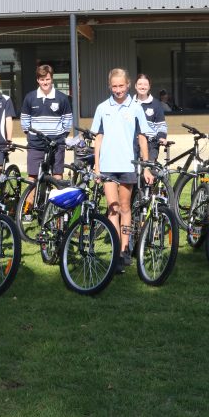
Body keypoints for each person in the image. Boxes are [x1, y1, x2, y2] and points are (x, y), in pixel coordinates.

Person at [91, 68, 155, 270]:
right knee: (113, 207)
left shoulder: (136, 108)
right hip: (108, 167)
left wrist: (145, 167)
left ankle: (125, 248)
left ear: (128, 85)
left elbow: (142, 138)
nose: (118, 89)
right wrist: (97, 165)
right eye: (114, 86)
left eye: (121, 85)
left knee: (125, 207)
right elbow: (98, 138)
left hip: (128, 165)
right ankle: (116, 250)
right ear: (110, 86)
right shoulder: (102, 107)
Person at [20, 64, 72, 181]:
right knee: (32, 177)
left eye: (47, 79)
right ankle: (30, 200)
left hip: (56, 145)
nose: (45, 82)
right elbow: (25, 122)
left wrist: (59, 137)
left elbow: (67, 123)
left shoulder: (62, 98)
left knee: (57, 176)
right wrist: (32, 136)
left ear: (52, 79)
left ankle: (54, 199)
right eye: (42, 79)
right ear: (38, 80)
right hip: (35, 145)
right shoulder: (30, 97)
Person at [134, 74, 167, 162]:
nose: (142, 87)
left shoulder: (156, 104)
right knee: (132, 173)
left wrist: (162, 137)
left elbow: (161, 125)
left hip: (151, 144)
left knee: (149, 172)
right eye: (140, 84)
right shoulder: (129, 103)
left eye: (145, 84)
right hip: (132, 143)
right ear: (135, 86)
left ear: (149, 87)